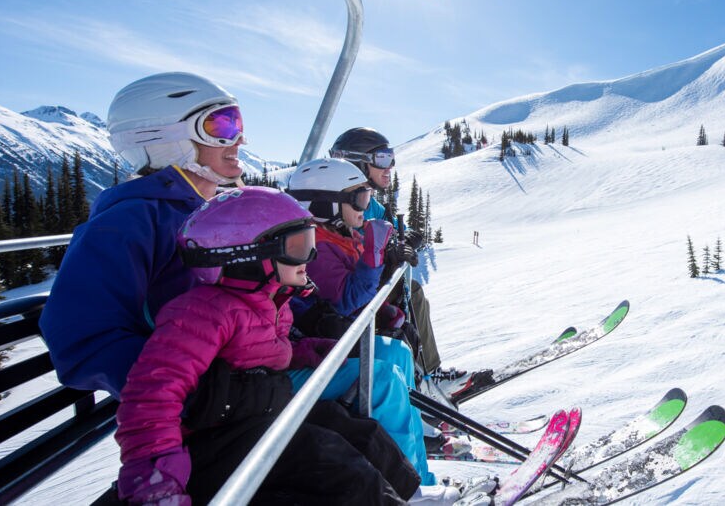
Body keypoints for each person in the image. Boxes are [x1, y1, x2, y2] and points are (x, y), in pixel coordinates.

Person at [114, 186, 418, 504]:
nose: (310, 257)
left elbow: (256, 352)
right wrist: (155, 480)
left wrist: (301, 351)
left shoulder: (271, 301)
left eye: (311, 243)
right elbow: (151, 396)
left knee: (359, 432)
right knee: (335, 464)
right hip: (210, 444)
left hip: (255, 417)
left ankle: (412, 494)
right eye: (299, 247)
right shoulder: (200, 312)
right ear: (248, 255)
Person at [41, 71, 246, 399]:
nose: (239, 140)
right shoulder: (128, 223)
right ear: (165, 138)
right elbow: (83, 342)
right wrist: (201, 392)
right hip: (197, 408)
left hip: (246, 379)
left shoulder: (210, 212)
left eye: (237, 124)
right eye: (221, 126)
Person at [284, 158, 442, 488]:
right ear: (325, 204)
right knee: (384, 374)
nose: (365, 208)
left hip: (334, 337)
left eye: (367, 198)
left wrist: (385, 306)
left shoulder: (339, 236)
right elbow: (347, 297)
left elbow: (360, 293)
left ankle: (419, 473)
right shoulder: (318, 247)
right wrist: (375, 255)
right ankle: (408, 485)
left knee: (398, 353)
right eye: (358, 199)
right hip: (320, 343)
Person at [328, 127, 493, 401]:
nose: (390, 166)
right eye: (381, 159)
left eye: (391, 158)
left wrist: (405, 239)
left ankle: (423, 373)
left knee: (411, 293)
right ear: (356, 161)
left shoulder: (368, 201)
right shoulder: (343, 199)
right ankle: (427, 374)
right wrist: (391, 249)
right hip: (347, 292)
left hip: (362, 284)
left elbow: (388, 229)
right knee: (412, 294)